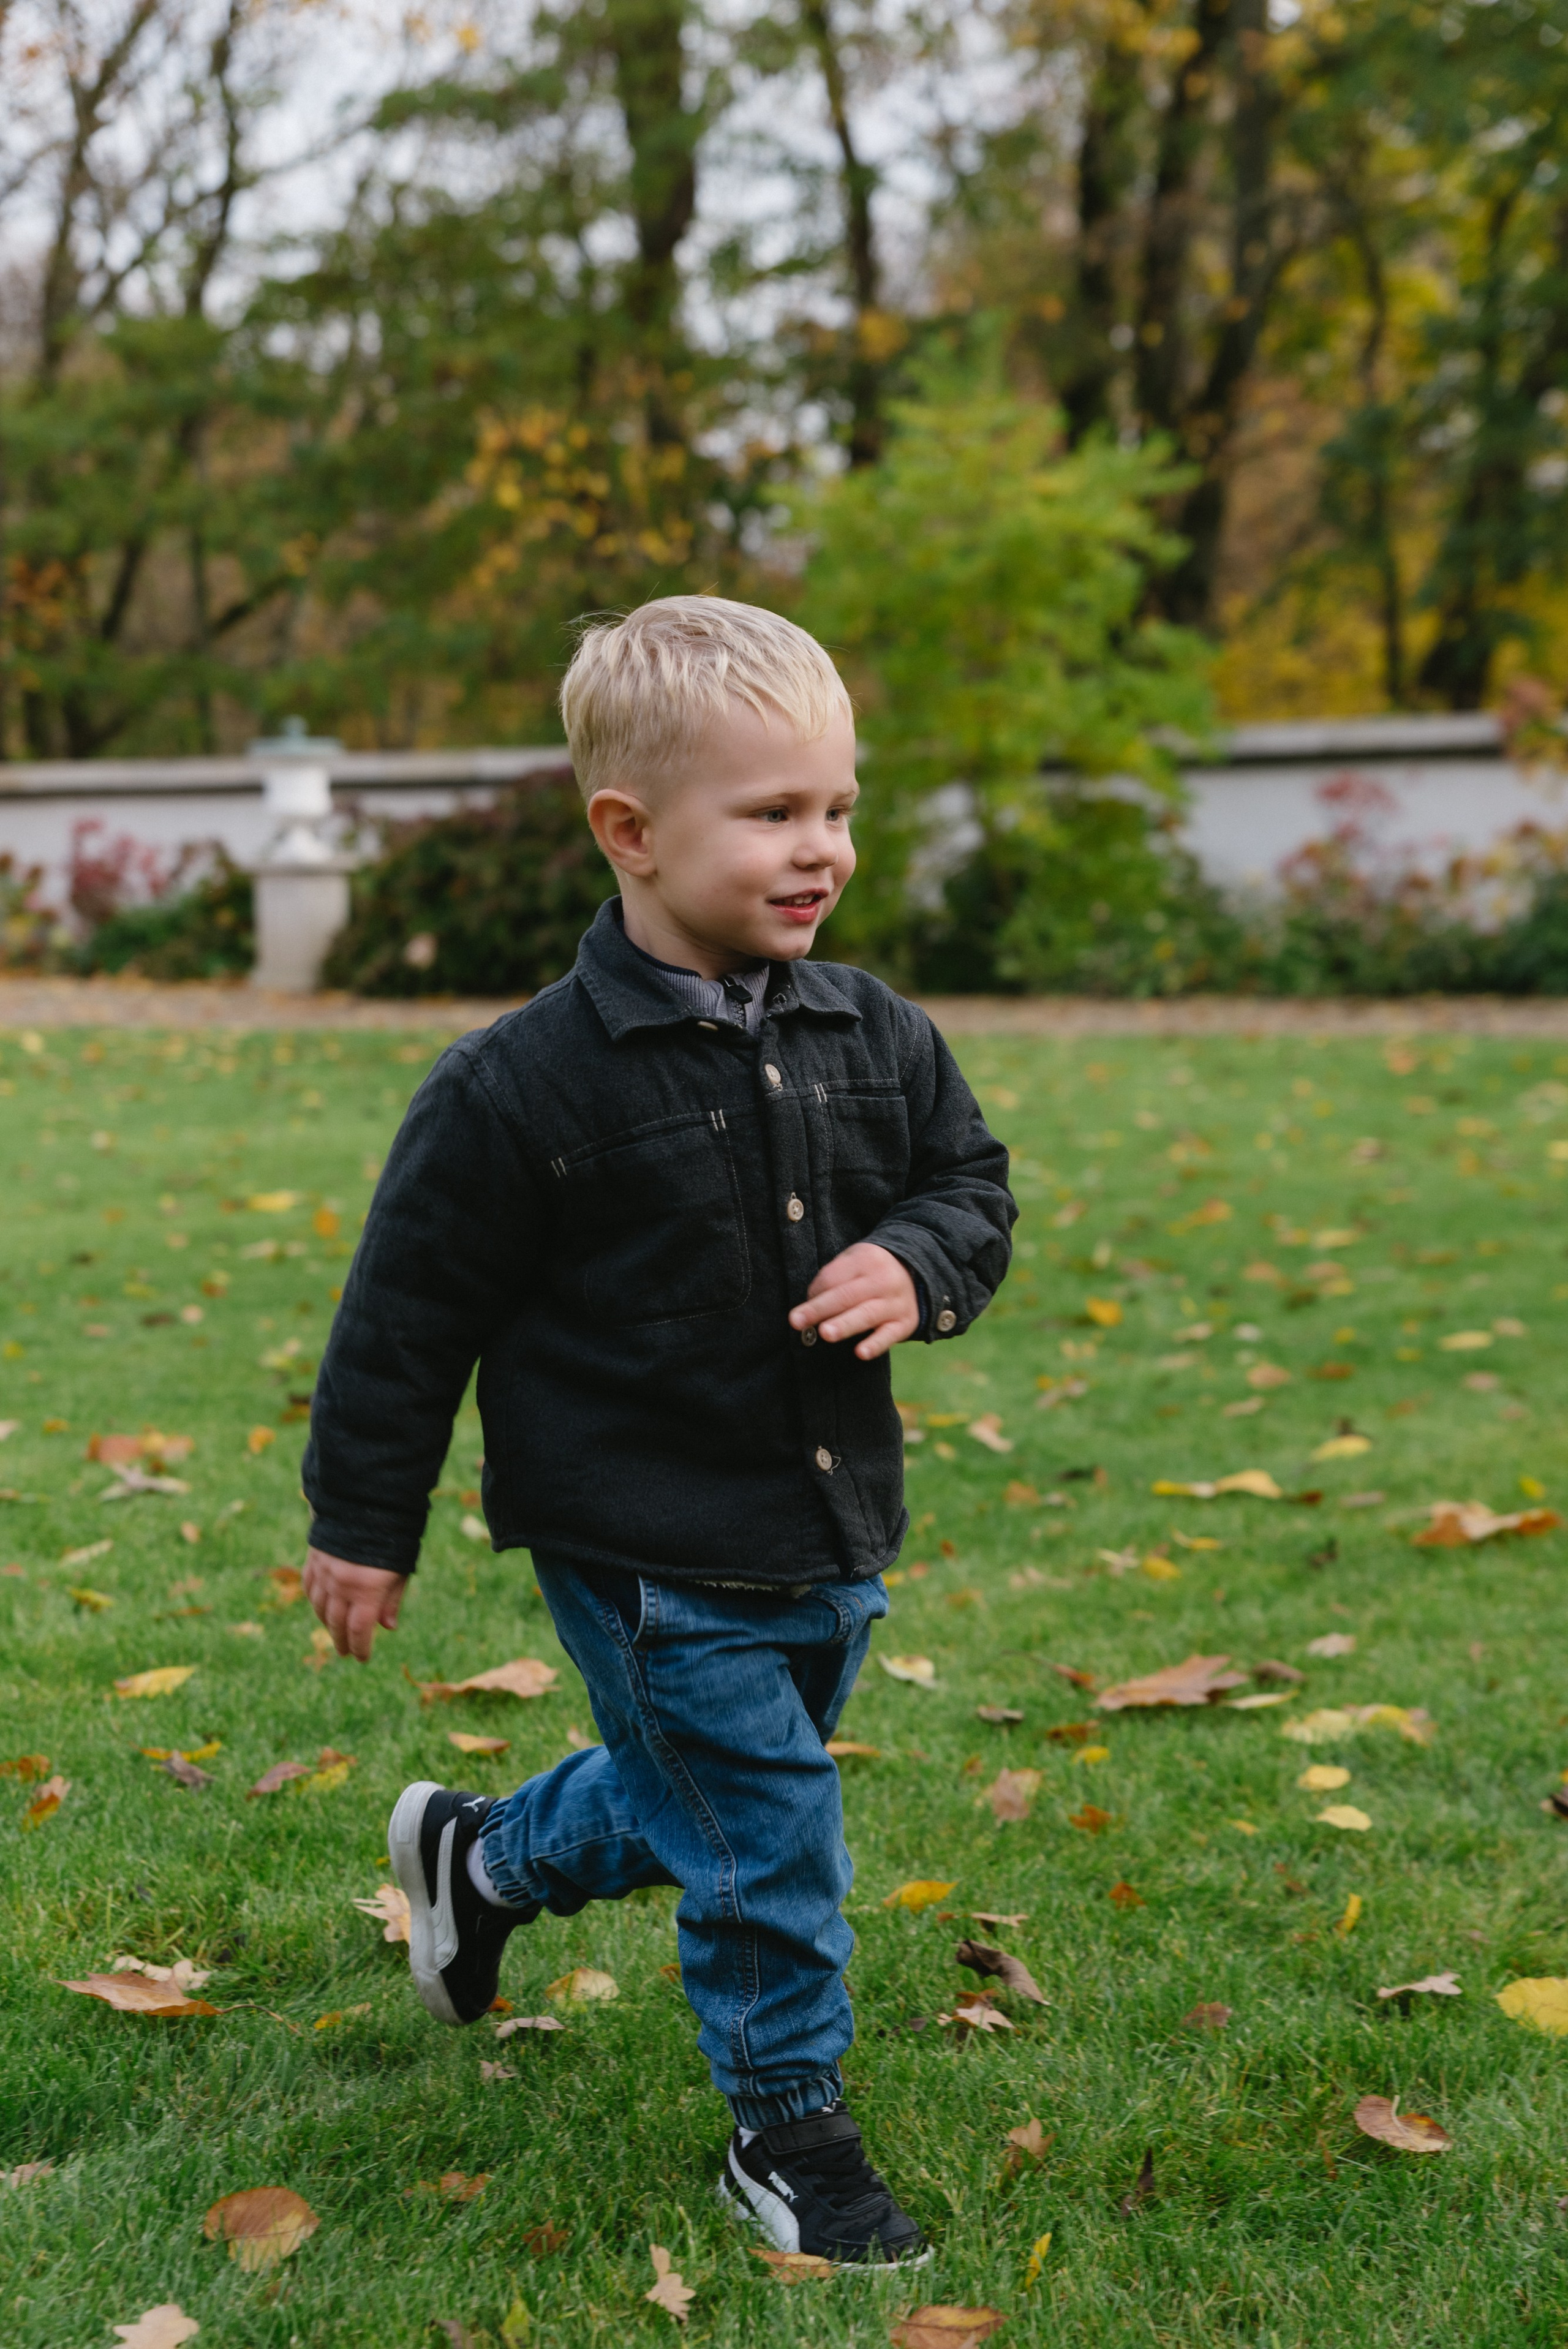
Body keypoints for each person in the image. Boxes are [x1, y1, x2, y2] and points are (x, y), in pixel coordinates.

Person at [301, 595, 1015, 2266]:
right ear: (629, 831)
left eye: (836, 805)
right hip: (637, 1540)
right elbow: (407, 1316)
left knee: (693, 1790)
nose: (820, 846)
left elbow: (968, 1186)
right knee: (767, 1830)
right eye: (772, 812)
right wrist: (363, 1519)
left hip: (825, 1522)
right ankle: (790, 2136)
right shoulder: (519, 1088)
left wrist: (915, 1263)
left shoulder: (873, 1031)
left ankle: (479, 1862)